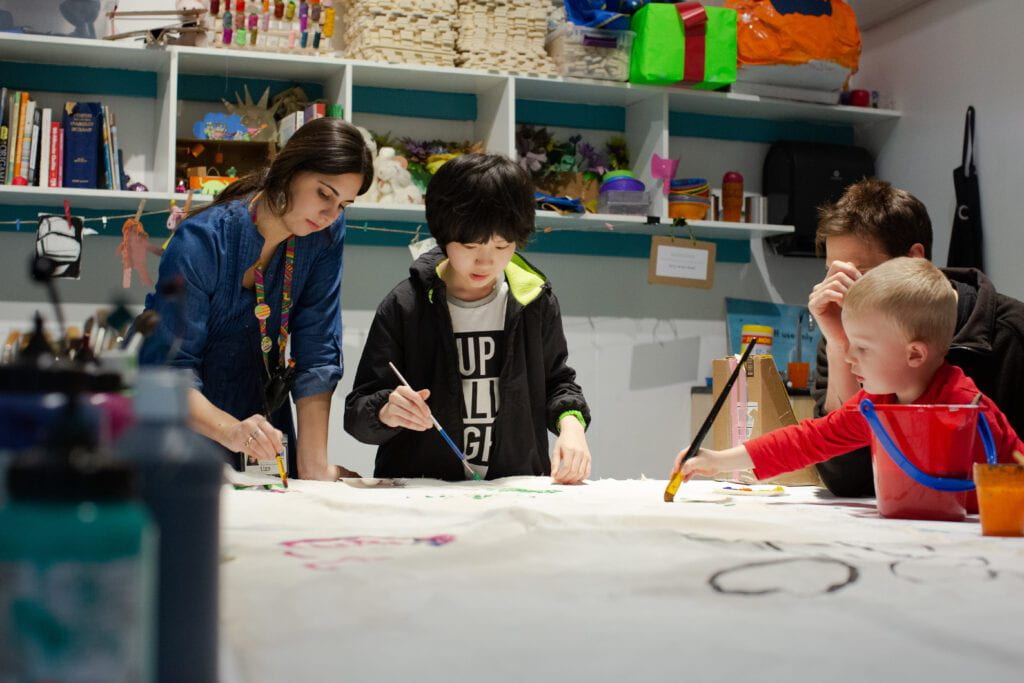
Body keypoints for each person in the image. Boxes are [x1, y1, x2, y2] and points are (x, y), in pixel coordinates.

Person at [139, 117, 373, 480]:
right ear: (288, 171)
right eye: (324, 194)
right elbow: (170, 371)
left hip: (265, 428)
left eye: (344, 204)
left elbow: (317, 351)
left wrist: (313, 468)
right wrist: (231, 431)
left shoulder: (324, 234)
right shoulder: (201, 242)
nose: (330, 215)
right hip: (189, 430)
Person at [344, 153, 592, 483]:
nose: (486, 262)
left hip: (513, 489)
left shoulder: (533, 300)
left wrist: (571, 425)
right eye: (470, 245)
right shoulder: (406, 305)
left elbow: (558, 382)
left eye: (503, 246)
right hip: (421, 492)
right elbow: (357, 412)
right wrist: (387, 411)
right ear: (444, 235)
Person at [672, 257, 1023, 483]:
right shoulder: (877, 403)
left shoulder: (968, 407)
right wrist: (718, 460)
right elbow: (810, 439)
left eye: (863, 347)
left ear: (914, 354)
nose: (848, 355)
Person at [808, 179, 1024, 496]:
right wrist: (842, 348)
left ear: (914, 259)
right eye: (833, 274)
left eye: (859, 275)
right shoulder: (849, 333)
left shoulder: (1011, 334)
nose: (843, 293)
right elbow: (846, 479)